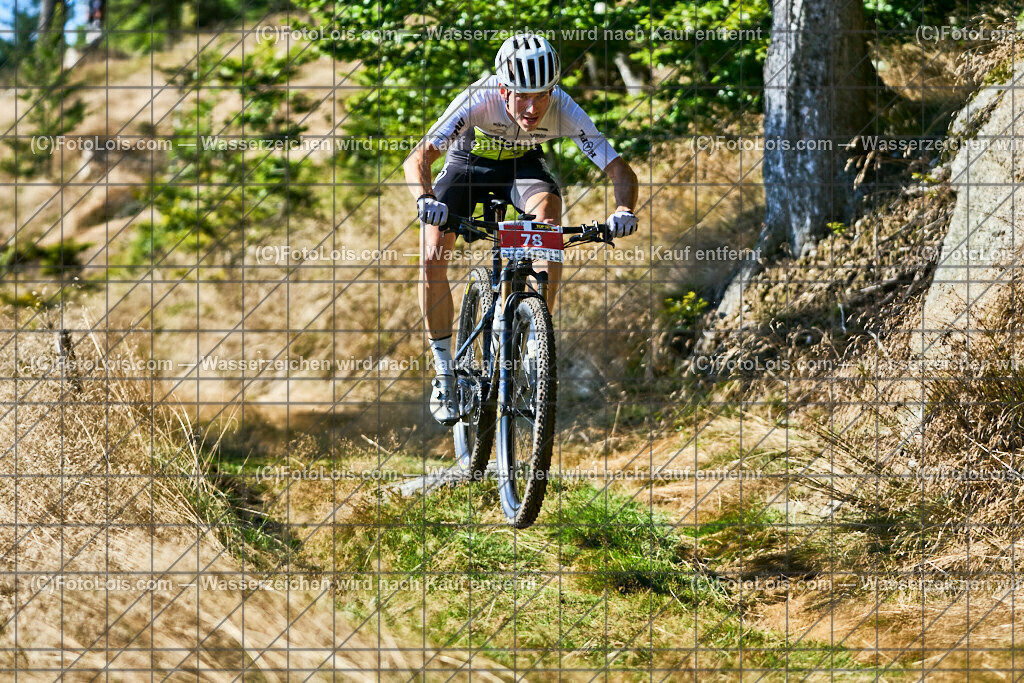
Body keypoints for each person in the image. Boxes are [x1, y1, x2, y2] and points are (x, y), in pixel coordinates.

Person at [403, 33, 640, 425]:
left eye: (543, 94)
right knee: (432, 256)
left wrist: (624, 208)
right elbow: (419, 157)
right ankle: (445, 370)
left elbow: (618, 168)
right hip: (468, 167)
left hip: (523, 171)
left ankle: (535, 344)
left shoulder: (564, 108)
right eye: (522, 95)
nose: (533, 107)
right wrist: (426, 200)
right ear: (502, 88)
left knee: (549, 223)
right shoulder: (478, 99)